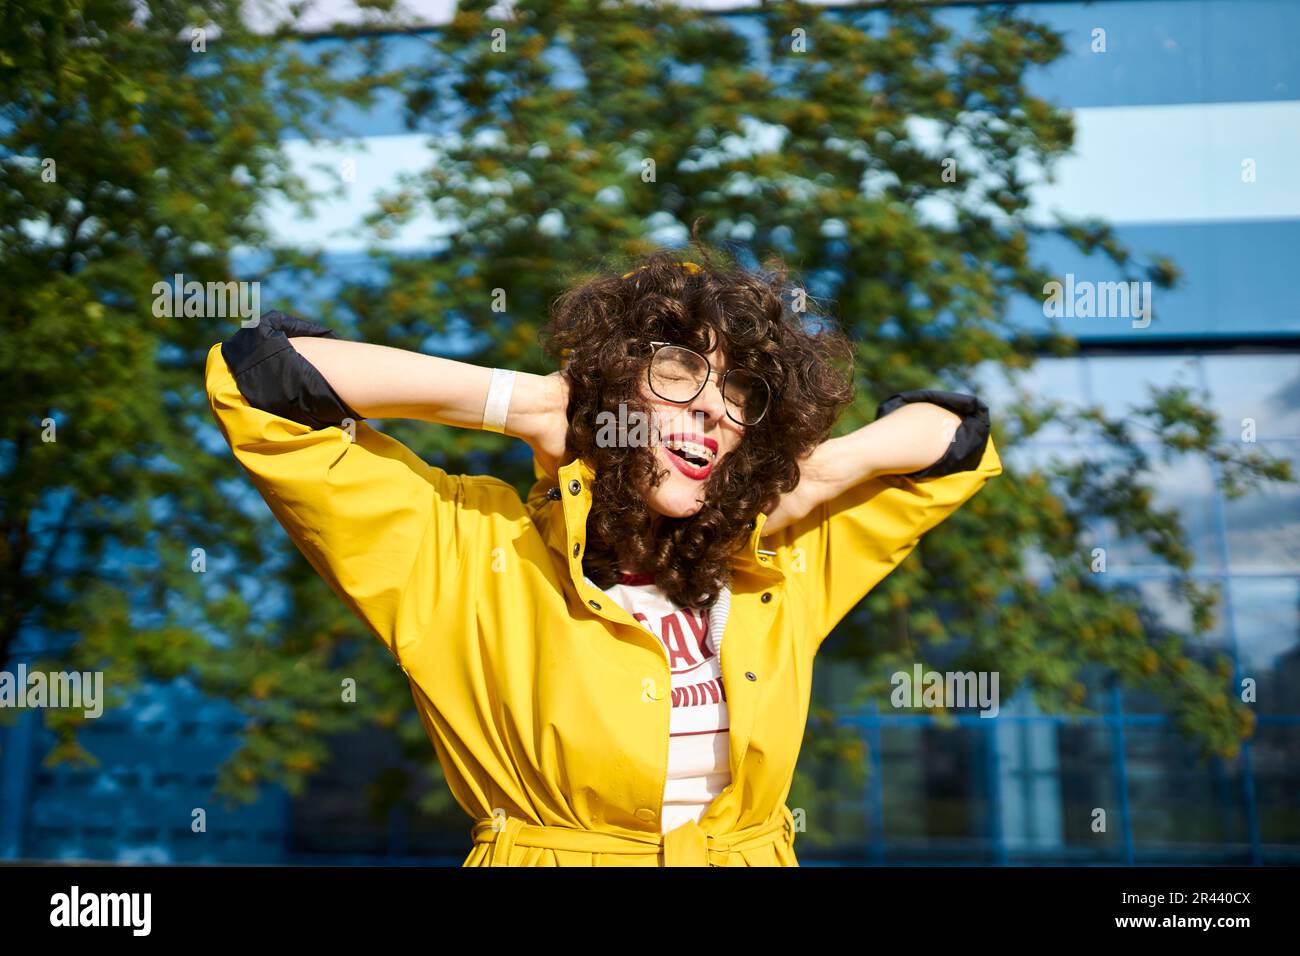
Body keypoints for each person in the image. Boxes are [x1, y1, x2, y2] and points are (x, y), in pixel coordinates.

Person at [203, 245, 1002, 866]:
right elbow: (260, 380)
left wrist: (808, 471)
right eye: (680, 371)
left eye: (739, 396)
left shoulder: (774, 559)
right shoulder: (467, 549)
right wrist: (532, 404)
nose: (711, 412)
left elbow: (956, 436)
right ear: (617, 383)